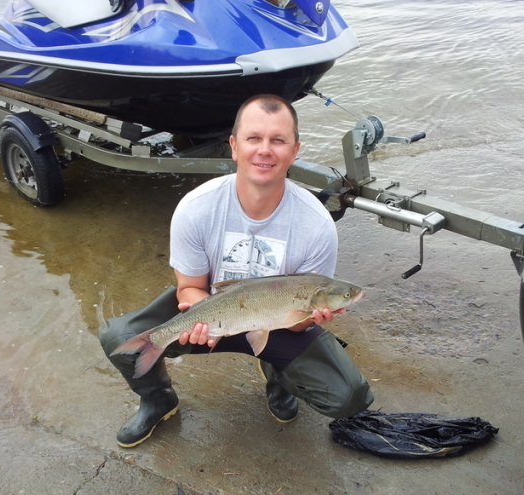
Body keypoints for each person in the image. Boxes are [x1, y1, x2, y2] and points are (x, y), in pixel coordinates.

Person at [99, 94, 373, 447]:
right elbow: (189, 288)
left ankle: (279, 377)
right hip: (213, 304)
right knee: (119, 337)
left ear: (295, 150)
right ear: (234, 146)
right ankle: (158, 400)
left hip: (277, 322)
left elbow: (299, 322)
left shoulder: (317, 225)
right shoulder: (196, 208)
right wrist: (200, 323)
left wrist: (311, 317)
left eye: (278, 140)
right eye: (254, 138)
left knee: (349, 396)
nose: (265, 150)